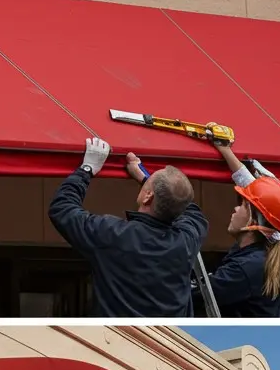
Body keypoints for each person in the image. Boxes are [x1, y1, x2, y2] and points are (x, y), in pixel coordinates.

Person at [48, 136, 208, 317]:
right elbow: (189, 208)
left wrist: (87, 169)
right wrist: (145, 178)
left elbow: (62, 209)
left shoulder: (113, 234)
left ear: (148, 196)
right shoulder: (187, 240)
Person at [197, 126, 280, 317]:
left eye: (242, 205)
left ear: (252, 220)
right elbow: (267, 207)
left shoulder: (244, 270)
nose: (235, 209)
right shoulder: (275, 244)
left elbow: (192, 295)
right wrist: (225, 150)